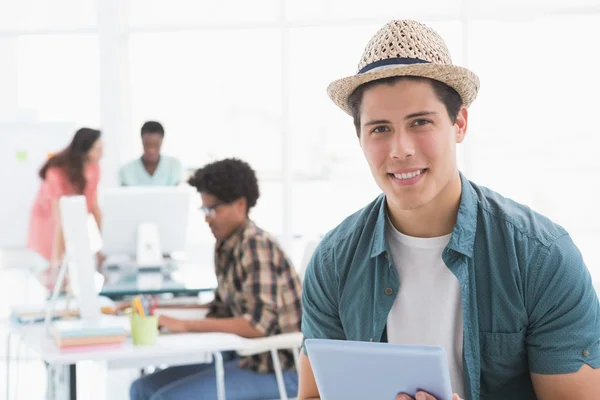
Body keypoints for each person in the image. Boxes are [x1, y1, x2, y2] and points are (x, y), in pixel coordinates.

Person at [298, 20, 600, 400]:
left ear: (459, 123)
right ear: (359, 137)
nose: (400, 149)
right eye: (379, 129)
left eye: (420, 122)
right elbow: (313, 395)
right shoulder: (333, 261)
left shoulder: (541, 257)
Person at [130, 158, 303, 400]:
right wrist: (154, 311)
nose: (207, 218)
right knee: (141, 388)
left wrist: (185, 325)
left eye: (213, 209)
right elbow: (218, 310)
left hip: (278, 369)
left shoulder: (255, 245)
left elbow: (257, 325)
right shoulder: (226, 245)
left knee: (164, 398)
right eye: (204, 209)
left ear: (241, 205)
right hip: (245, 361)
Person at [27, 127, 103, 291]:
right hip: (48, 226)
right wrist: (56, 261)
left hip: (69, 227)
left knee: (71, 279)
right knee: (53, 280)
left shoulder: (93, 169)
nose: (102, 154)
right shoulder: (56, 172)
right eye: (98, 149)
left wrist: (100, 248)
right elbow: (58, 220)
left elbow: (94, 208)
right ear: (85, 150)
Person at [119, 121, 183, 186]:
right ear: (142, 141)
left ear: (162, 141)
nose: (151, 150)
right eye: (147, 145)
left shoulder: (174, 166)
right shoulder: (126, 170)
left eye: (156, 145)